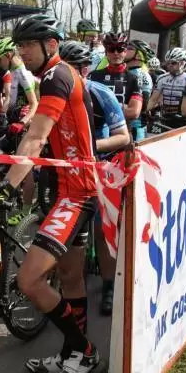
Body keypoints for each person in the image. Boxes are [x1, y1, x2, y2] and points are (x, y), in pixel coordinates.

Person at [0, 14, 99, 373]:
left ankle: (84, 351)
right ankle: (71, 353)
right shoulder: (55, 75)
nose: (22, 52)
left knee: (30, 280)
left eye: (29, 44)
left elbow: (36, 137)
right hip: (68, 189)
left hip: (75, 193)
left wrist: (5, 189)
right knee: (70, 277)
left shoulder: (56, 76)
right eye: (19, 45)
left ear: (51, 45)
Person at [60, 40, 130, 316]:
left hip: (99, 167)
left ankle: (109, 283)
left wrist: (89, 147)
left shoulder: (101, 93)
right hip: (67, 171)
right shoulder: (54, 92)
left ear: (85, 69)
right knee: (65, 231)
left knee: (102, 231)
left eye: (72, 68)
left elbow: (123, 137)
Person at [88, 32, 143, 140]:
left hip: (123, 137)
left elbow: (134, 112)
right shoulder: (93, 76)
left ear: (125, 52)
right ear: (106, 53)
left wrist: (101, 109)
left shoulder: (134, 79)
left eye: (120, 49)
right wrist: (123, 108)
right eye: (111, 49)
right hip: (98, 135)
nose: (116, 53)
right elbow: (87, 108)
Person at [0, 37, 38, 131]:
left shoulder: (23, 73)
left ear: (8, 55)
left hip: (25, 121)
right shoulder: (11, 71)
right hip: (13, 117)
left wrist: (22, 123)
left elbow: (34, 104)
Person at [147, 47, 186, 118]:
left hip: (182, 119)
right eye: (168, 63)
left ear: (182, 63)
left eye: (173, 63)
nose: (169, 65)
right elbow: (153, 100)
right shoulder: (161, 78)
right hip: (164, 117)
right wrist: (143, 112)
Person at [125, 39, 154, 140]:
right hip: (124, 126)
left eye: (129, 48)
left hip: (135, 128)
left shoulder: (142, 75)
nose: (124, 49)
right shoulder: (127, 72)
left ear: (138, 55)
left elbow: (143, 105)